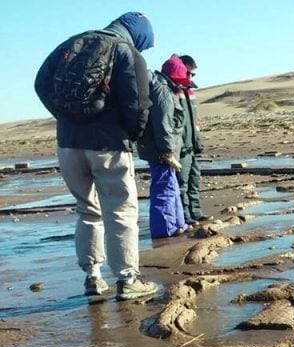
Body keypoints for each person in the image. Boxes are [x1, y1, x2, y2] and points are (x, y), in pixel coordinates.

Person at [34, 12, 159, 301]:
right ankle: (128, 280)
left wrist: (66, 118)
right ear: (138, 34)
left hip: (68, 144)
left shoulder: (72, 43)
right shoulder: (127, 52)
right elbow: (138, 104)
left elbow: (41, 83)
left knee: (87, 210)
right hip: (109, 146)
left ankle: (92, 277)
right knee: (120, 211)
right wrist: (130, 134)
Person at [137, 54, 189, 238]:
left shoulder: (161, 88)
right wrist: (167, 152)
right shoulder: (162, 92)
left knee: (170, 186)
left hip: (160, 148)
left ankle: (176, 224)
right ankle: (164, 230)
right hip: (161, 150)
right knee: (164, 189)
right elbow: (163, 124)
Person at [178, 55, 210, 226]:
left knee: (194, 180)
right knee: (182, 182)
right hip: (182, 146)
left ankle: (196, 211)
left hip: (194, 144)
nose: (191, 78)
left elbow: (194, 121)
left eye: (193, 75)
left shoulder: (190, 92)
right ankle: (185, 215)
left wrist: (199, 142)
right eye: (189, 73)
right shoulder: (173, 91)